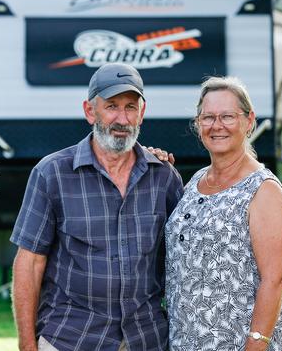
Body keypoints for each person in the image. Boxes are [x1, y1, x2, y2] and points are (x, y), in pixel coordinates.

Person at [10, 62, 184, 351]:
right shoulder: (52, 174)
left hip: (146, 338)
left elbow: (181, 260)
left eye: (130, 107)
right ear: (90, 111)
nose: (122, 118)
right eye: (111, 106)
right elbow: (29, 263)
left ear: (142, 112)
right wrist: (28, 346)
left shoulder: (163, 177)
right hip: (71, 338)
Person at [165, 76, 282, 350]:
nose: (217, 126)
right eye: (208, 117)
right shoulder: (195, 182)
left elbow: (276, 279)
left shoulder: (263, 190)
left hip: (245, 343)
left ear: (249, 121)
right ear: (198, 124)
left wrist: (256, 344)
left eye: (228, 116)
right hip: (190, 341)